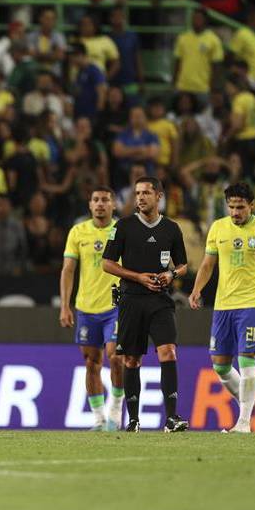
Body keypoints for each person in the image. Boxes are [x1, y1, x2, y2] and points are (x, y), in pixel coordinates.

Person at [102, 176, 189, 433]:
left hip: (160, 301)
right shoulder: (124, 226)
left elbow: (183, 265)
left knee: (168, 351)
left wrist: (171, 274)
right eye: (137, 193)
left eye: (145, 193)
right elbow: (107, 263)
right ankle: (133, 420)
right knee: (131, 359)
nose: (140, 197)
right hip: (131, 299)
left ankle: (171, 418)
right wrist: (137, 276)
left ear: (158, 196)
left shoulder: (171, 228)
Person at [188, 182, 255, 433]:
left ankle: (243, 421)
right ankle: (248, 401)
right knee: (221, 365)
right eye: (231, 207)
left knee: (247, 362)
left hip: (251, 302)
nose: (235, 212)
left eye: (240, 207)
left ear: (251, 206)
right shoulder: (218, 227)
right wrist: (197, 289)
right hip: (223, 304)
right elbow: (208, 264)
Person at [60, 186, 125, 431]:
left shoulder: (123, 231)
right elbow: (68, 270)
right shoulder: (78, 232)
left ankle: (116, 412)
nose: (100, 204)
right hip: (86, 308)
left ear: (113, 205)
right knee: (91, 363)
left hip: (115, 306)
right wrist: (65, 306)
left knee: (116, 357)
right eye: (96, 200)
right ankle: (98, 418)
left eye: (105, 200)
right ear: (89, 205)